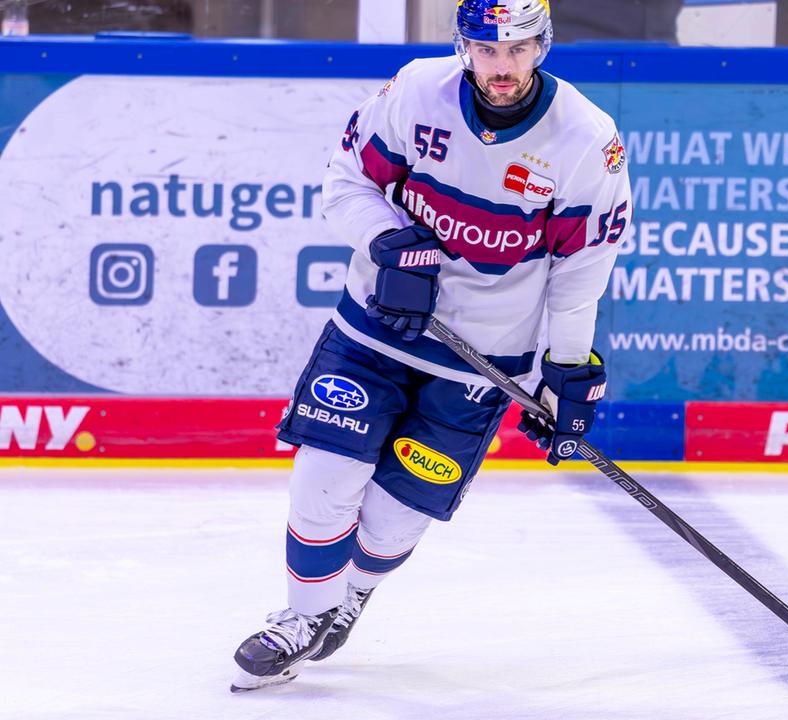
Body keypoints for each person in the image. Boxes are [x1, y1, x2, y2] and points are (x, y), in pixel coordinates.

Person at [230, 0, 630, 693]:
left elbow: (580, 272)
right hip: (374, 330)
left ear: (542, 48)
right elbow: (346, 180)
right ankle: (301, 617)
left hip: (483, 358)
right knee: (326, 476)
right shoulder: (416, 90)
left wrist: (563, 368)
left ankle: (348, 594)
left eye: (516, 50)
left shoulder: (587, 141)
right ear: (464, 48)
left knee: (395, 517)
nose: (500, 67)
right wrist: (388, 243)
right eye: (486, 50)